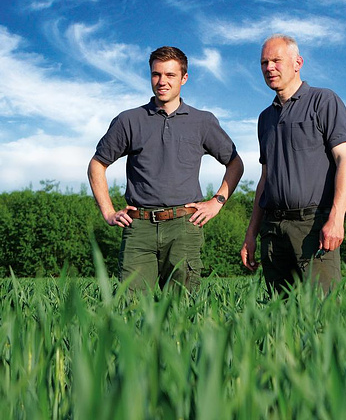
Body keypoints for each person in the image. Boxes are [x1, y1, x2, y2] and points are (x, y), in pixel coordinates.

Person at [88, 46, 244, 293]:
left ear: (184, 78)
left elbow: (235, 163)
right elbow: (97, 164)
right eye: (156, 74)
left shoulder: (202, 121)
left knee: (182, 308)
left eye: (170, 75)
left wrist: (217, 202)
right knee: (132, 307)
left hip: (184, 226)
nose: (162, 81)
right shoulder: (129, 120)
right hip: (138, 228)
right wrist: (108, 212)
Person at [240, 34, 346, 295]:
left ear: (297, 63)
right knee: (280, 313)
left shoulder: (323, 101)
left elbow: (345, 160)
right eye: (264, 63)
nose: (269, 68)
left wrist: (337, 218)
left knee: (323, 310)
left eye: (276, 60)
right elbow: (265, 179)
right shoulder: (265, 118)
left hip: (313, 227)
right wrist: (251, 234)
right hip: (273, 231)